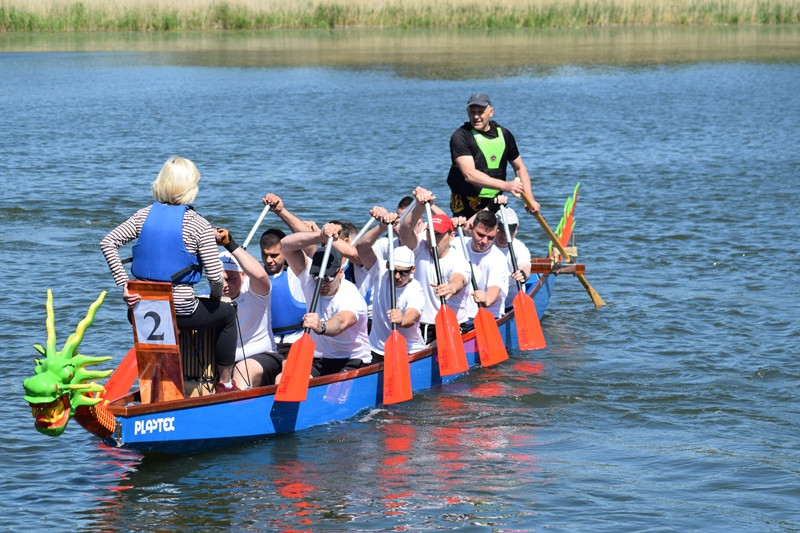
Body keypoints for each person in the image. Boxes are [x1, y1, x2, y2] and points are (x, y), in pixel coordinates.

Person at [99, 156, 239, 393]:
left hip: (140, 309)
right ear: (190, 187)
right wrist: (216, 299)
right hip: (181, 310)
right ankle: (225, 383)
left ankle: (155, 387)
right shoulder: (200, 225)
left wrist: (125, 286)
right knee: (227, 314)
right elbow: (216, 278)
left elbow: (107, 242)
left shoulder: (142, 216)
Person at [279, 222, 371, 377]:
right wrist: (320, 236)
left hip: (351, 360)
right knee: (281, 378)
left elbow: (341, 322)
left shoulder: (350, 295)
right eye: (317, 276)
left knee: (333, 389)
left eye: (328, 278)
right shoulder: (309, 279)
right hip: (318, 359)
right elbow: (285, 246)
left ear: (341, 273)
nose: (321, 282)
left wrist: (320, 326)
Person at [446, 93, 541, 218]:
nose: (476, 116)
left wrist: (529, 199)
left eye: (480, 112)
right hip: (465, 205)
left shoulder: (504, 134)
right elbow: (469, 174)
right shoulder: (461, 136)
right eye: (472, 112)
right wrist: (506, 185)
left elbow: (519, 167)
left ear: (491, 112)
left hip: (495, 203)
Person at [396, 187, 471, 343]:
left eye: (438, 234)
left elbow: (459, 279)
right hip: (421, 323)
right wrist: (419, 206)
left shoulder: (458, 260)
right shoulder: (420, 247)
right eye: (430, 233)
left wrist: (451, 287)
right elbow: (404, 231)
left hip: (452, 324)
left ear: (452, 236)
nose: (433, 239)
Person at [355, 206, 426, 363]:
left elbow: (413, 315)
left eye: (404, 272)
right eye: (394, 271)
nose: (397, 276)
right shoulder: (381, 271)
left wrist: (402, 320)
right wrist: (381, 227)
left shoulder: (415, 290)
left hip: (409, 350)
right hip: (376, 349)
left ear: (413, 269)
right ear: (388, 265)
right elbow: (361, 247)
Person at [215, 228, 282, 389]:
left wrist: (229, 244)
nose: (224, 285)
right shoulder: (210, 293)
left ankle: (238, 403)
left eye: (230, 279)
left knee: (242, 369)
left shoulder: (255, 291)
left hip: (261, 357)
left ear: (243, 275)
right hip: (224, 362)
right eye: (219, 280)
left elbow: (260, 275)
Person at [259, 193, 316, 356]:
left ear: (285, 252)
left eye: (274, 255)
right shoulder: (254, 276)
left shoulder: (297, 274)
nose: (268, 260)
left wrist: (281, 211)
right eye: (265, 255)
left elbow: (311, 245)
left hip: (297, 341)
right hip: (266, 344)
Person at [459, 209, 509, 319]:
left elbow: (494, 289)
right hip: (459, 315)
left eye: (490, 237)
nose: (484, 241)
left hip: (486, 316)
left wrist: (486, 299)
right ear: (471, 228)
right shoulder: (457, 244)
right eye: (480, 235)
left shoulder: (498, 258)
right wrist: (450, 226)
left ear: (496, 233)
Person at [494, 203, 533, 311]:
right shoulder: (485, 244)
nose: (505, 235)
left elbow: (524, 265)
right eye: (501, 230)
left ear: (516, 229)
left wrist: (522, 274)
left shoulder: (520, 248)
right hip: (489, 304)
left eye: (510, 230)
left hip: (512, 304)